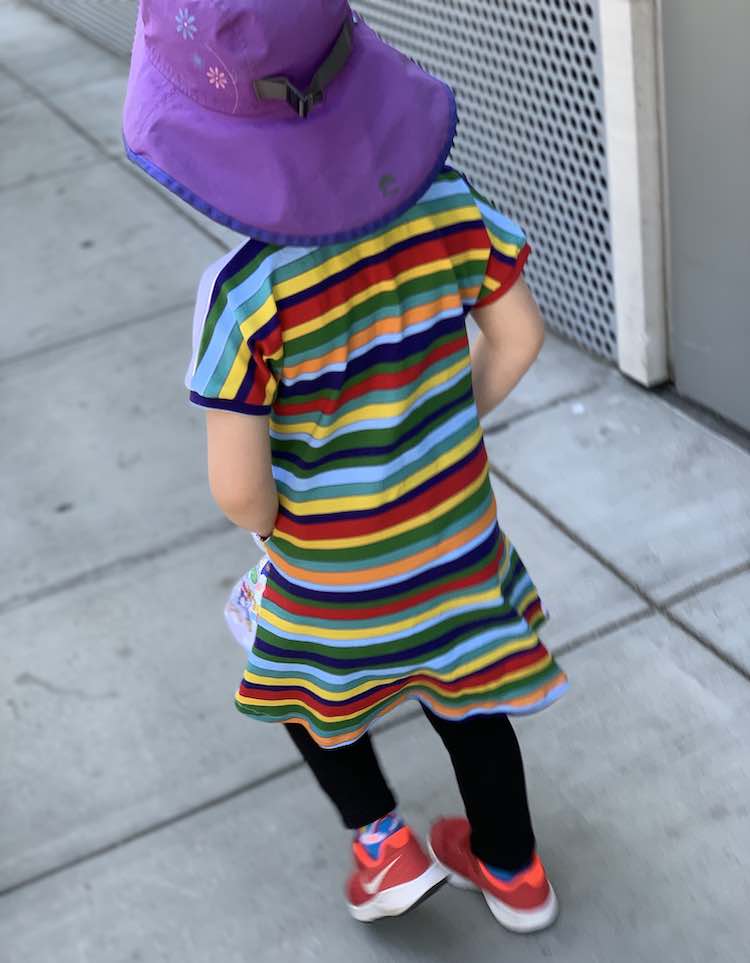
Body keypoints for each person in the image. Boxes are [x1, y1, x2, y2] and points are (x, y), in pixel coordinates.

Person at [123, 0, 569, 932]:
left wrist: (283, 528)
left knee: (310, 693)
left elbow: (239, 486)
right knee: (471, 698)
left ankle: (382, 845)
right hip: (455, 543)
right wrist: (444, 421)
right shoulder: (449, 203)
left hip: (331, 572)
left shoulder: (246, 295)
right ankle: (515, 871)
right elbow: (518, 336)